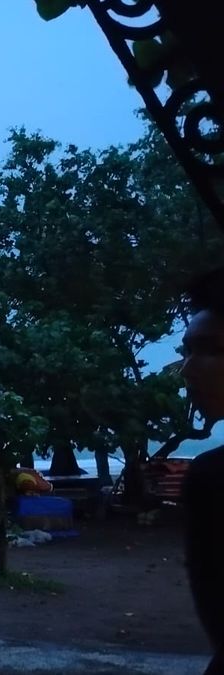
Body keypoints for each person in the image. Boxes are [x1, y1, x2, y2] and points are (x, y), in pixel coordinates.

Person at [180, 269, 224, 674]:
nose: (188, 369)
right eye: (187, 350)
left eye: (211, 350)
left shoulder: (212, 481)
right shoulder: (209, 478)